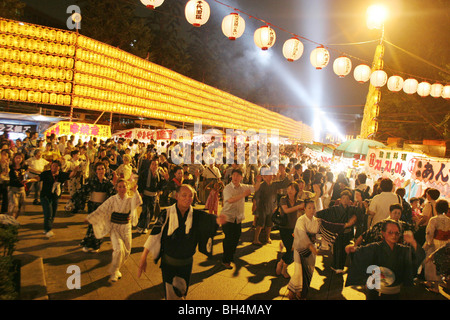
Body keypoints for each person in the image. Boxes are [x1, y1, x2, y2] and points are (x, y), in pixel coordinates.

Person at [137, 184, 219, 300]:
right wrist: (143, 257)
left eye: (191, 196)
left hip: (186, 264)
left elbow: (212, 220)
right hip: (169, 264)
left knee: (182, 293)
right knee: (171, 295)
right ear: (177, 196)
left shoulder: (197, 215)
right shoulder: (166, 214)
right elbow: (154, 235)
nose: (187, 198)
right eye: (184, 195)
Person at [345, 220, 425, 300]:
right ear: (383, 233)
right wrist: (352, 249)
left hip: (397, 293)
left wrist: (412, 241)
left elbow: (420, 256)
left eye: (397, 233)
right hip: (376, 292)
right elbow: (360, 252)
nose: (394, 235)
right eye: (390, 232)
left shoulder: (403, 250)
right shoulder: (375, 248)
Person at [86, 179, 142, 282]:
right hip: (115, 228)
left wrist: (135, 191)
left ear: (127, 188)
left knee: (127, 251)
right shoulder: (112, 199)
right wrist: (91, 218)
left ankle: (117, 267)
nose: (121, 189)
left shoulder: (130, 199)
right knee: (118, 249)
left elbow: (138, 202)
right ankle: (115, 271)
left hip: (126, 228)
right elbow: (102, 209)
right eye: (119, 187)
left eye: (124, 186)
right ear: (116, 188)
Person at [219, 169, 260, 269]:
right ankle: (226, 260)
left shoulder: (243, 187)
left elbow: (255, 188)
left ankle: (230, 256)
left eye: (238, 176)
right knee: (229, 239)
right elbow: (230, 200)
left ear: (241, 177)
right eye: (234, 175)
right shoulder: (228, 188)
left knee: (236, 237)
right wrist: (243, 195)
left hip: (237, 218)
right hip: (227, 217)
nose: (235, 177)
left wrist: (258, 180)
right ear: (231, 177)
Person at [315, 190, 363, 273]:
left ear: (349, 200)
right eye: (343, 198)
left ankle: (339, 267)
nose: (345, 200)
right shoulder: (334, 209)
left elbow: (360, 212)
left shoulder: (352, 209)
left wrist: (361, 202)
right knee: (337, 250)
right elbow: (323, 213)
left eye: (347, 198)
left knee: (344, 251)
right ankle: (337, 267)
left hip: (347, 233)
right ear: (340, 199)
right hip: (338, 232)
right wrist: (313, 213)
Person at [75, 162, 116, 251]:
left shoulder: (108, 183)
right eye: (99, 169)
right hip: (93, 205)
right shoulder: (91, 181)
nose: (101, 171)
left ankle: (96, 245)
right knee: (92, 225)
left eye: (102, 169)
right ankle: (88, 244)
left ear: (105, 170)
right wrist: (77, 199)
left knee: (99, 226)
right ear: (96, 171)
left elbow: (113, 195)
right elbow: (83, 191)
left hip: (103, 207)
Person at [34, 160, 78, 237]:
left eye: (56, 166)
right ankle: (48, 229)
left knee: (53, 214)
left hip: (55, 197)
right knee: (48, 212)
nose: (54, 167)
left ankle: (46, 228)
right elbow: (38, 178)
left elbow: (71, 175)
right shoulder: (46, 173)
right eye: (53, 165)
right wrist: (29, 180)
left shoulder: (61, 174)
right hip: (45, 196)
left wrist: (75, 170)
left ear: (59, 167)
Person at [287, 199, 320, 300]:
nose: (311, 210)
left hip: (311, 250)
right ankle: (295, 291)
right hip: (300, 249)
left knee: (309, 271)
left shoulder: (317, 221)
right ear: (304, 208)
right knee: (298, 271)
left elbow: (318, 235)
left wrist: (318, 244)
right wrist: (310, 245)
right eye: (309, 208)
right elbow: (301, 235)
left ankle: (300, 291)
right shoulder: (301, 220)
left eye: (313, 208)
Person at [252, 169, 291, 245]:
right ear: (264, 177)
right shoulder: (261, 185)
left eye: (271, 175)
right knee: (260, 223)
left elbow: (284, 183)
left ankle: (267, 237)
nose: (271, 176)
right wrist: (255, 205)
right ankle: (255, 239)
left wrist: (290, 174)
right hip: (262, 207)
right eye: (269, 175)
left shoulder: (274, 184)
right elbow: (256, 196)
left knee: (269, 223)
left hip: (271, 206)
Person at [276, 182, 305, 279]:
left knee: (294, 251)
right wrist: (298, 207)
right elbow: (286, 210)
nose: (289, 191)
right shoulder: (283, 199)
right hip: (284, 228)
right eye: (288, 189)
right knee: (290, 250)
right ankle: (283, 268)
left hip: (294, 228)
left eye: (292, 189)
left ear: (296, 190)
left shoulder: (299, 201)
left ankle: (281, 263)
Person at [423, 199, 449, 293]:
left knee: (431, 263)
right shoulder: (448, 220)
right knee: (441, 264)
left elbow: (429, 232)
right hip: (445, 243)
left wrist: (428, 242)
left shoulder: (434, 219)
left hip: (434, 243)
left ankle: (435, 287)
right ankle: (431, 282)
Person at [137, 156, 169, 234]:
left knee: (151, 211)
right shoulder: (144, 172)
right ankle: (144, 226)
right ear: (150, 165)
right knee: (145, 211)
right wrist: (140, 192)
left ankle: (142, 225)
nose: (154, 166)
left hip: (154, 195)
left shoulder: (159, 174)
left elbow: (161, 184)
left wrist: (165, 180)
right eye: (153, 164)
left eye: (156, 165)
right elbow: (140, 182)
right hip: (145, 194)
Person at [8, 153, 30, 219]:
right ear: (14, 158)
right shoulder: (10, 166)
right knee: (14, 205)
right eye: (16, 158)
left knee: (20, 207)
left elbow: (31, 170)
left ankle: (14, 220)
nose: (18, 159)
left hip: (21, 189)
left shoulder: (24, 167)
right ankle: (10, 220)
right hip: (12, 188)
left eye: (20, 158)